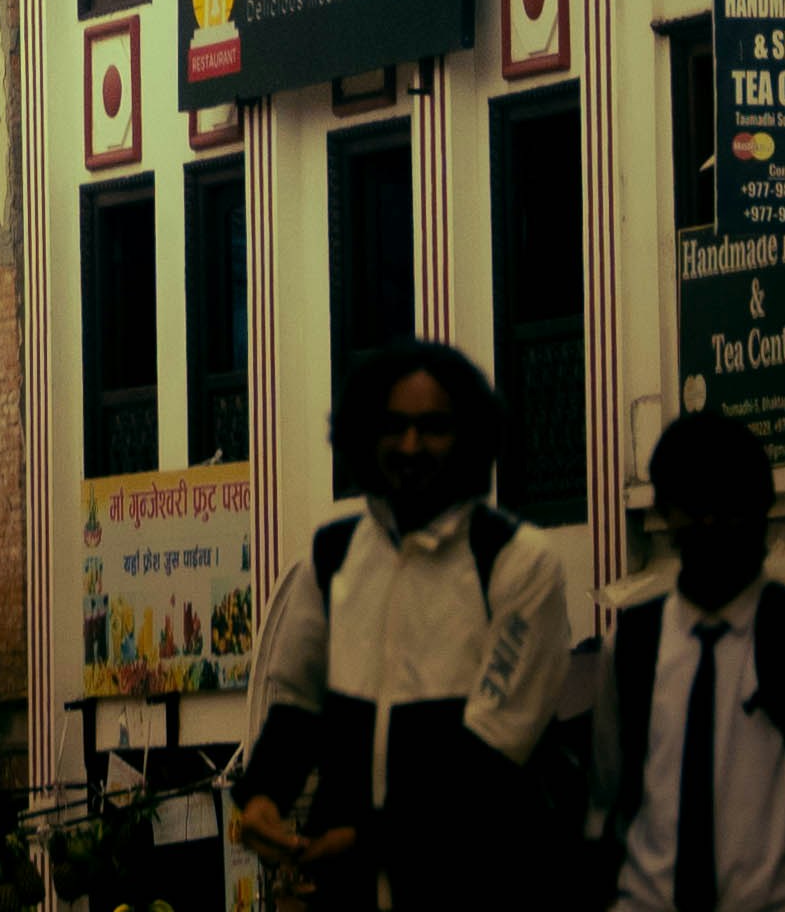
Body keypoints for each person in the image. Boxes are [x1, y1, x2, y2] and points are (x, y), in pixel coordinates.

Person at [237, 338, 575, 912]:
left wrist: (368, 841)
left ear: (470, 436)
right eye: (393, 426)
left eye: (434, 427)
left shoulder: (519, 563)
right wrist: (264, 795)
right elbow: (298, 702)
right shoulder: (333, 555)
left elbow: (491, 758)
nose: (411, 445)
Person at [588, 408, 785, 912]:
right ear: (668, 516)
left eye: (730, 506)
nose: (712, 523)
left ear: (762, 514)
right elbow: (607, 806)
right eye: (695, 507)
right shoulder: (630, 647)